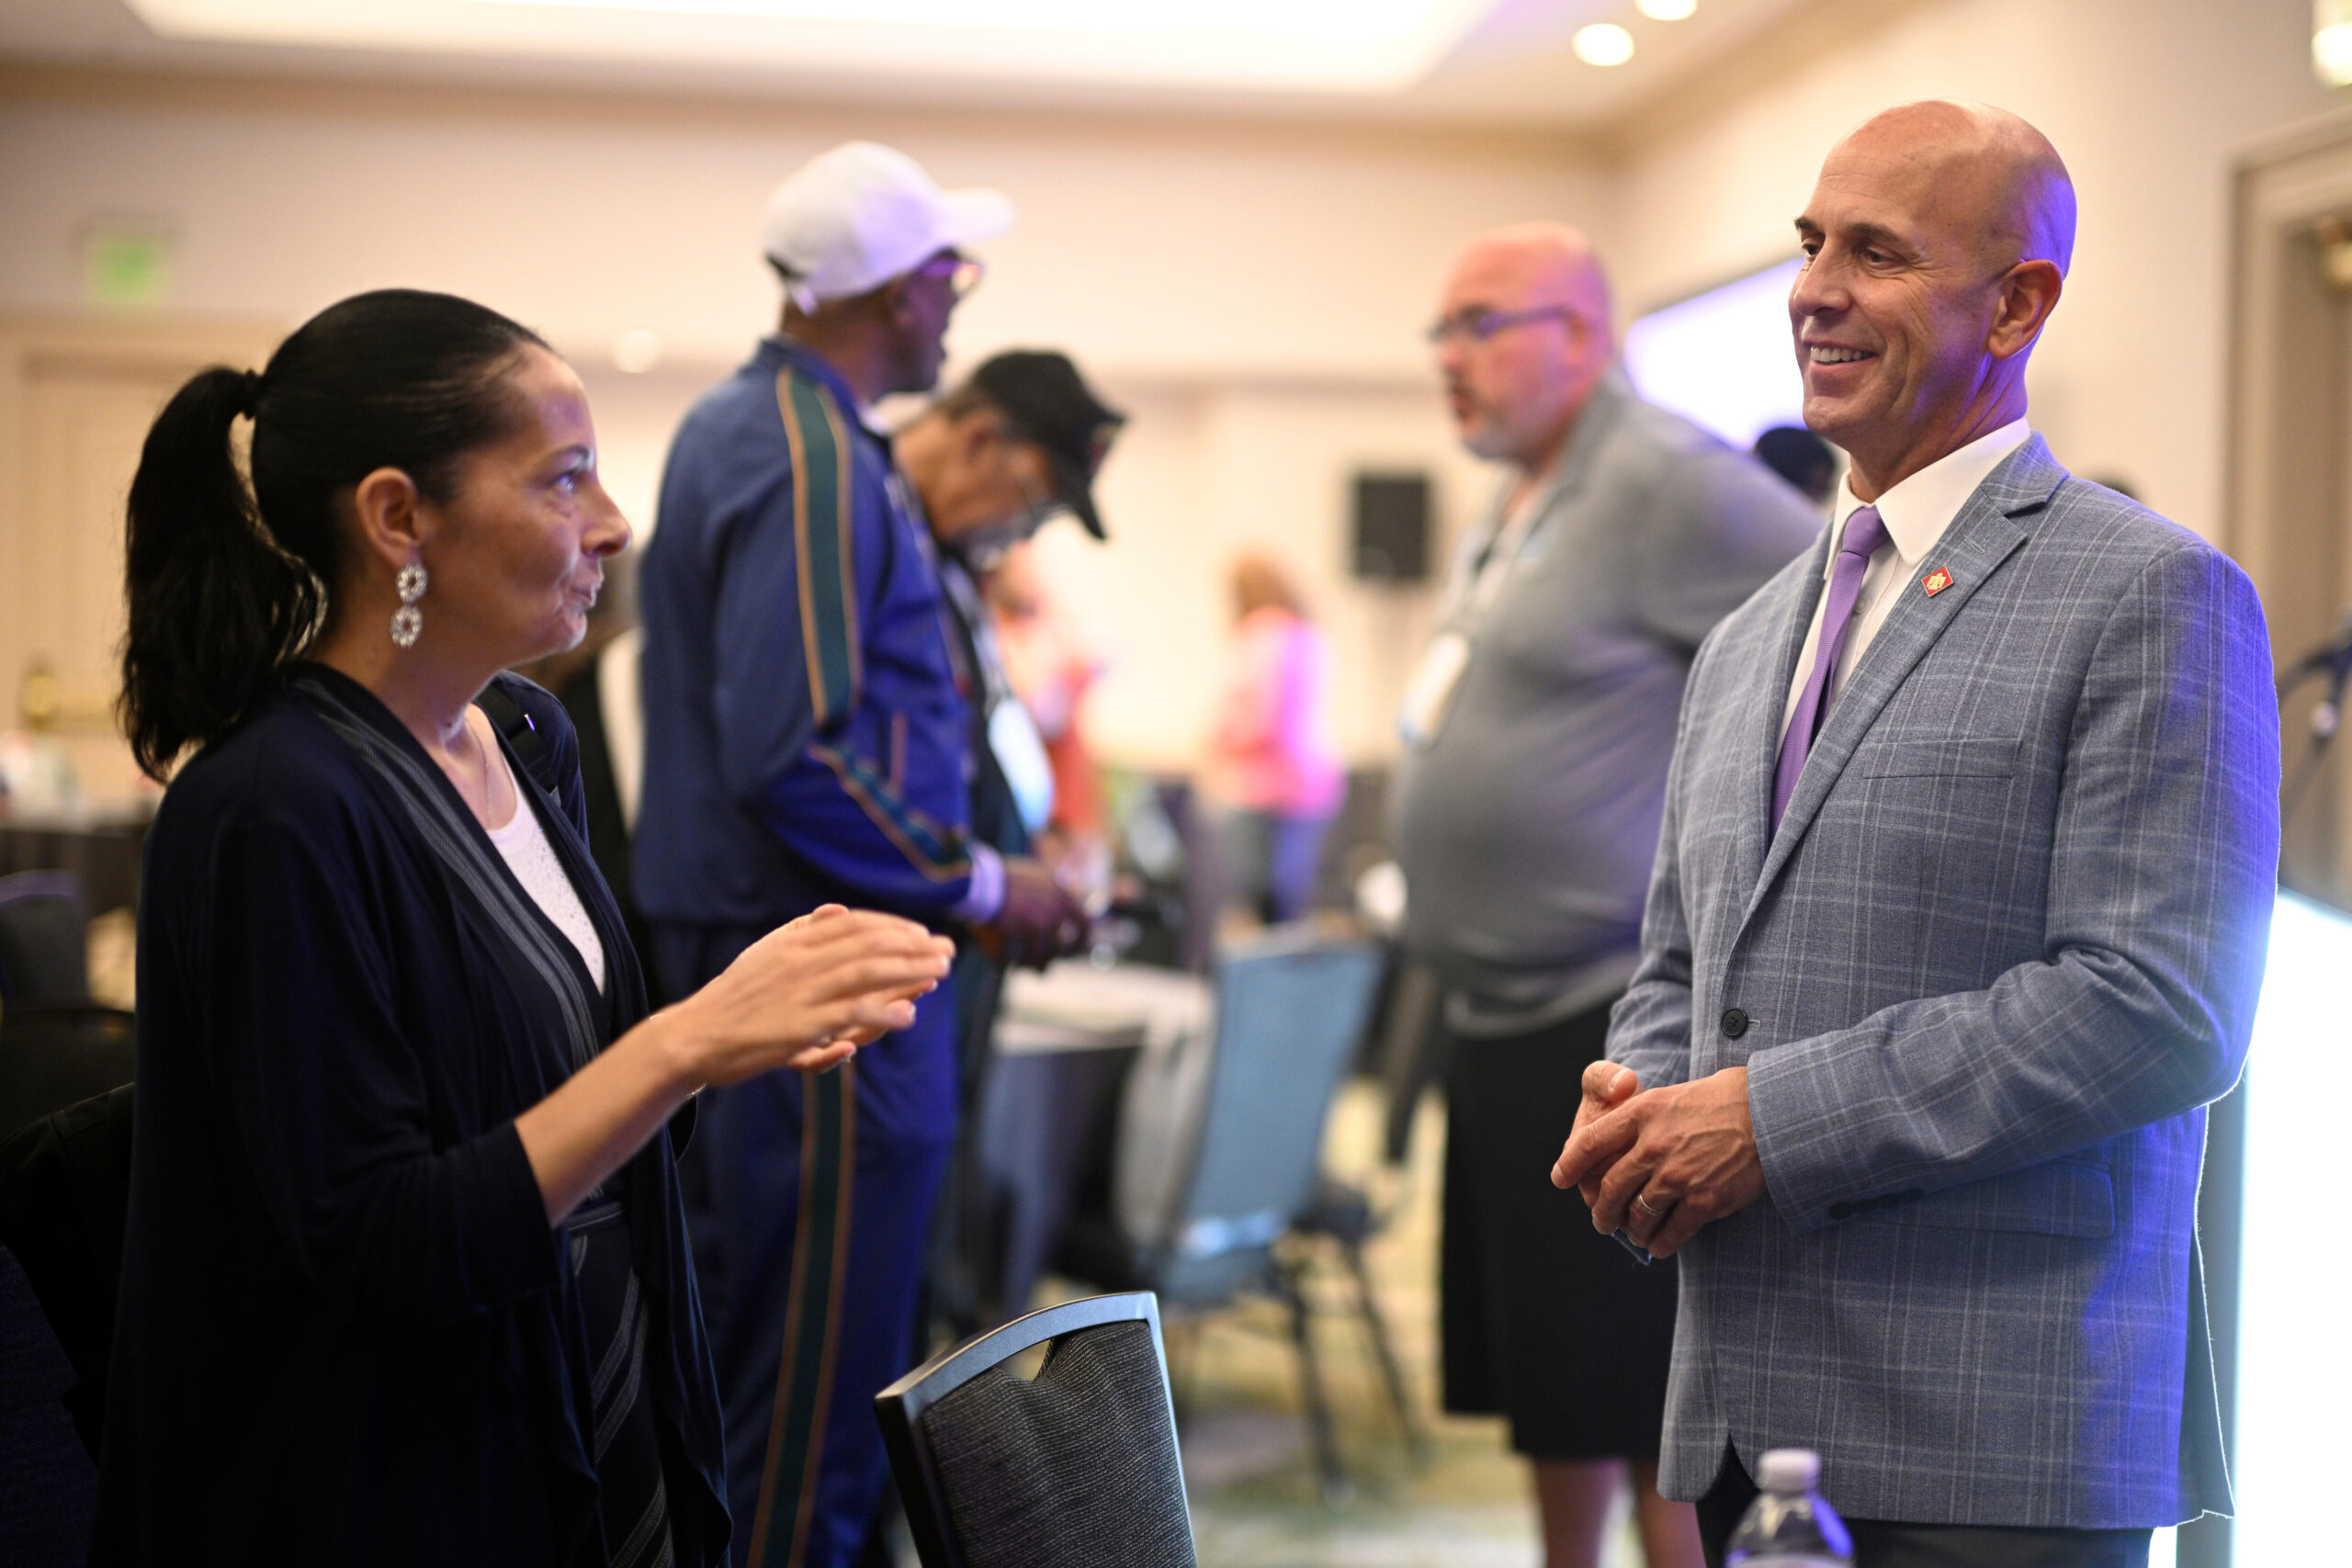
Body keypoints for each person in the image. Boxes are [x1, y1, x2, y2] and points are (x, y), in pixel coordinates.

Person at [96, 288, 953, 1567]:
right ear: (398, 517)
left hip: (575, 1382)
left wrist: (725, 1038)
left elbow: (555, 1102)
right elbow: (384, 1247)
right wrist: (682, 1043)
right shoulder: (273, 807)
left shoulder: (522, 734)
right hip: (383, 1483)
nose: (613, 522)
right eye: (564, 478)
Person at [1553, 102, 2278, 1568]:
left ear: (2015, 305)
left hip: (1995, 1436)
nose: (1814, 291)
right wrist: (1646, 1113)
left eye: (1876, 253)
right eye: (1811, 244)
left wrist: (1765, 1120)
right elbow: (1686, 960)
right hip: (1747, 1419)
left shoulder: (2151, 593)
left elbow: (2160, 1005)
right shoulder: (1747, 636)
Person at [631, 143, 1086, 1568]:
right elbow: (799, 754)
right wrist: (990, 880)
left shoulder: (790, 431)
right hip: (816, 984)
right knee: (806, 1424)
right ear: (902, 289)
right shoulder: (806, 449)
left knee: (789, 1393)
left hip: (804, 965)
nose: (959, 305)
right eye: (954, 275)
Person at [1393, 224, 1819, 1568]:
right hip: (1498, 1008)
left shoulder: (1669, 482)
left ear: (1580, 335)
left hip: (1606, 1015)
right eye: (1441, 329)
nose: (1448, 356)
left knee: (1639, 1399)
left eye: (1479, 325)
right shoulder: (1520, 489)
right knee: (1554, 1387)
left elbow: (1836, 643)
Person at [888, 347, 1125, 1326]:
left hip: (970, 930)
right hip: (910, 936)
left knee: (932, 1251)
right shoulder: (882, 537)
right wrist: (995, 878)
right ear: (982, 440)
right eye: (1034, 500)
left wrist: (1042, 850)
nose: (1025, 530)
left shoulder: (949, 566)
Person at [1206, 553, 1344, 925]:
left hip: (1261, 789)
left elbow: (1260, 722)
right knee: (1291, 906)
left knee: (1252, 907)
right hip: (1313, 785)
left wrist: (1216, 743)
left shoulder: (1258, 635)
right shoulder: (1310, 636)